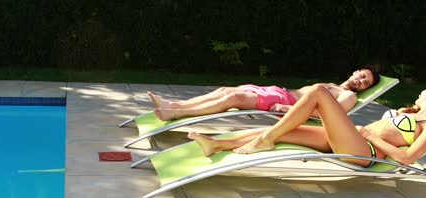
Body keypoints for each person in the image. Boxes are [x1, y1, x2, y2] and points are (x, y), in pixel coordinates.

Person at [188, 82, 426, 168]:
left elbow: (408, 159)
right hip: (353, 138)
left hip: (366, 151)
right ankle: (216, 144)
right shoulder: (405, 111)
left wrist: (373, 139)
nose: (421, 93)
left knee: (318, 92)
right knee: (286, 131)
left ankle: (265, 141)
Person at [148, 68, 380, 121]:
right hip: (279, 91)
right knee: (226, 90)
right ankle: (174, 104)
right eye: (362, 75)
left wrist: (290, 110)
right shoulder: (333, 84)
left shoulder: (348, 96)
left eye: (365, 82)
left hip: (285, 101)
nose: (360, 80)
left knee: (233, 100)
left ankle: (175, 114)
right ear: (355, 71)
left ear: (364, 88)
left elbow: (330, 116)